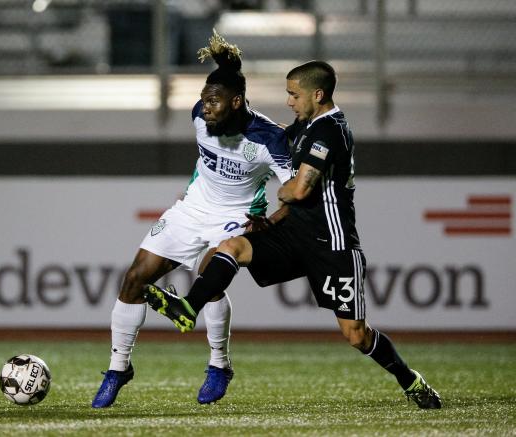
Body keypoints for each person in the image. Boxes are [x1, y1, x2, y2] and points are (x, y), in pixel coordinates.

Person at [144, 60, 442, 409]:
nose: (289, 101)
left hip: (332, 244)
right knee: (233, 247)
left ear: (318, 94)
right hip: (293, 234)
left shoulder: (330, 130)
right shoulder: (304, 124)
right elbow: (269, 144)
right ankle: (187, 308)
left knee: (356, 335)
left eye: (293, 94)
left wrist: (283, 195)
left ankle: (411, 381)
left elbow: (298, 190)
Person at [91, 30, 292, 408]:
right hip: (192, 209)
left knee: (208, 278)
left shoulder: (271, 139)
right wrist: (189, 191)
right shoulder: (201, 116)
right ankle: (118, 369)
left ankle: (219, 364)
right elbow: (205, 161)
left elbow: (294, 191)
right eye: (203, 100)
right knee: (134, 278)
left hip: (234, 217)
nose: (206, 107)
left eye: (214, 101)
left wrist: (269, 218)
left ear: (236, 102)